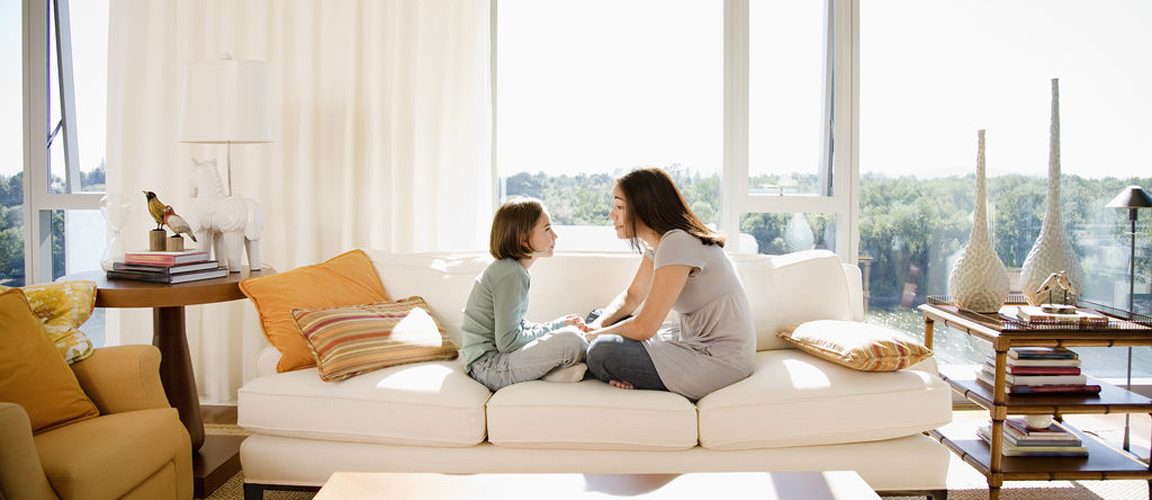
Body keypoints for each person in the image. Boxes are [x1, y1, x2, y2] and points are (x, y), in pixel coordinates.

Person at [584, 167, 756, 401]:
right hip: (691, 340)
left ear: (644, 207)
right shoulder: (660, 245)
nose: (611, 215)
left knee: (601, 351)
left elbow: (645, 327)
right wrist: (598, 327)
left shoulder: (678, 242)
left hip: (718, 358)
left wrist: (591, 337)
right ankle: (590, 353)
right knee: (598, 316)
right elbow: (632, 297)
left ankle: (581, 357)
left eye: (620, 207)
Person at [460, 197, 591, 391]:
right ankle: (550, 372)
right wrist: (559, 327)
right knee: (573, 341)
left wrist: (559, 323)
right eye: (547, 229)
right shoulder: (509, 274)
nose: (555, 236)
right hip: (488, 367)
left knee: (573, 335)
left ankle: (550, 372)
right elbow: (508, 341)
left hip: (495, 361)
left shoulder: (512, 270)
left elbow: (517, 326)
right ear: (523, 240)